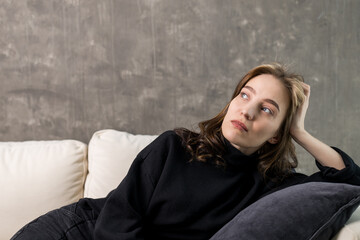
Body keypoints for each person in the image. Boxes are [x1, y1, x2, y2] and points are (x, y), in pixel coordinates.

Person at [12, 63, 360, 240]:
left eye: (267, 109)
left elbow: (349, 181)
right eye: (245, 95)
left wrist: (299, 131)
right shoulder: (175, 146)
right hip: (84, 231)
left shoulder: (271, 186)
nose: (248, 111)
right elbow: (119, 218)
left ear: (276, 135)